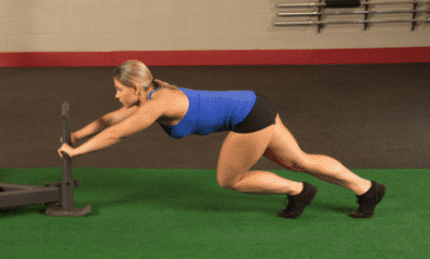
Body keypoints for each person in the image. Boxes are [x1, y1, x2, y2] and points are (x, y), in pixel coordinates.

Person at [57, 60, 385, 219]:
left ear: (137, 89)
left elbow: (117, 133)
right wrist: (77, 134)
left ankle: (298, 191)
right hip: (254, 103)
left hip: (249, 116)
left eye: (119, 89)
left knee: (230, 179)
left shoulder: (162, 103)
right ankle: (367, 188)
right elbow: (112, 119)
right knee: (299, 159)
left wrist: (76, 151)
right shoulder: (150, 98)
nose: (115, 95)